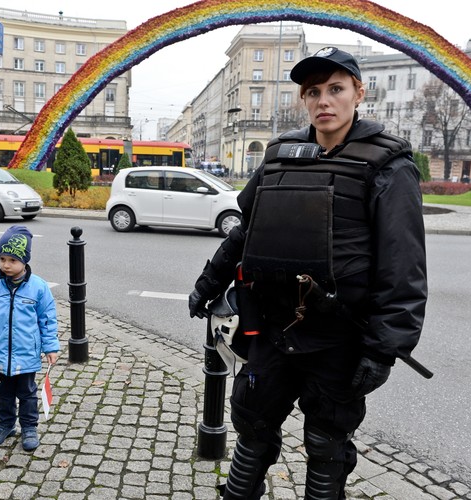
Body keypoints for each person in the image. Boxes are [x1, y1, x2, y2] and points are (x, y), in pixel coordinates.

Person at [188, 47, 428, 500]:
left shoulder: (387, 165)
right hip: (272, 331)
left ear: (358, 92)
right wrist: (208, 283)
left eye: (335, 89)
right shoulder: (280, 155)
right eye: (313, 91)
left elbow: (404, 268)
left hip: (338, 338)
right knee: (253, 428)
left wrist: (384, 349)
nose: (324, 100)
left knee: (325, 441)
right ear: (304, 99)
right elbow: (245, 232)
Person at [0, 225, 60, 451]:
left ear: (25, 260)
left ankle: (29, 426)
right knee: (5, 391)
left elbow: (47, 319)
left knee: (27, 392)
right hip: (0, 352)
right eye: (2, 258)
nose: (5, 265)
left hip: (27, 353)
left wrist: (51, 347)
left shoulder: (38, 288)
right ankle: (5, 424)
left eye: (12, 260)